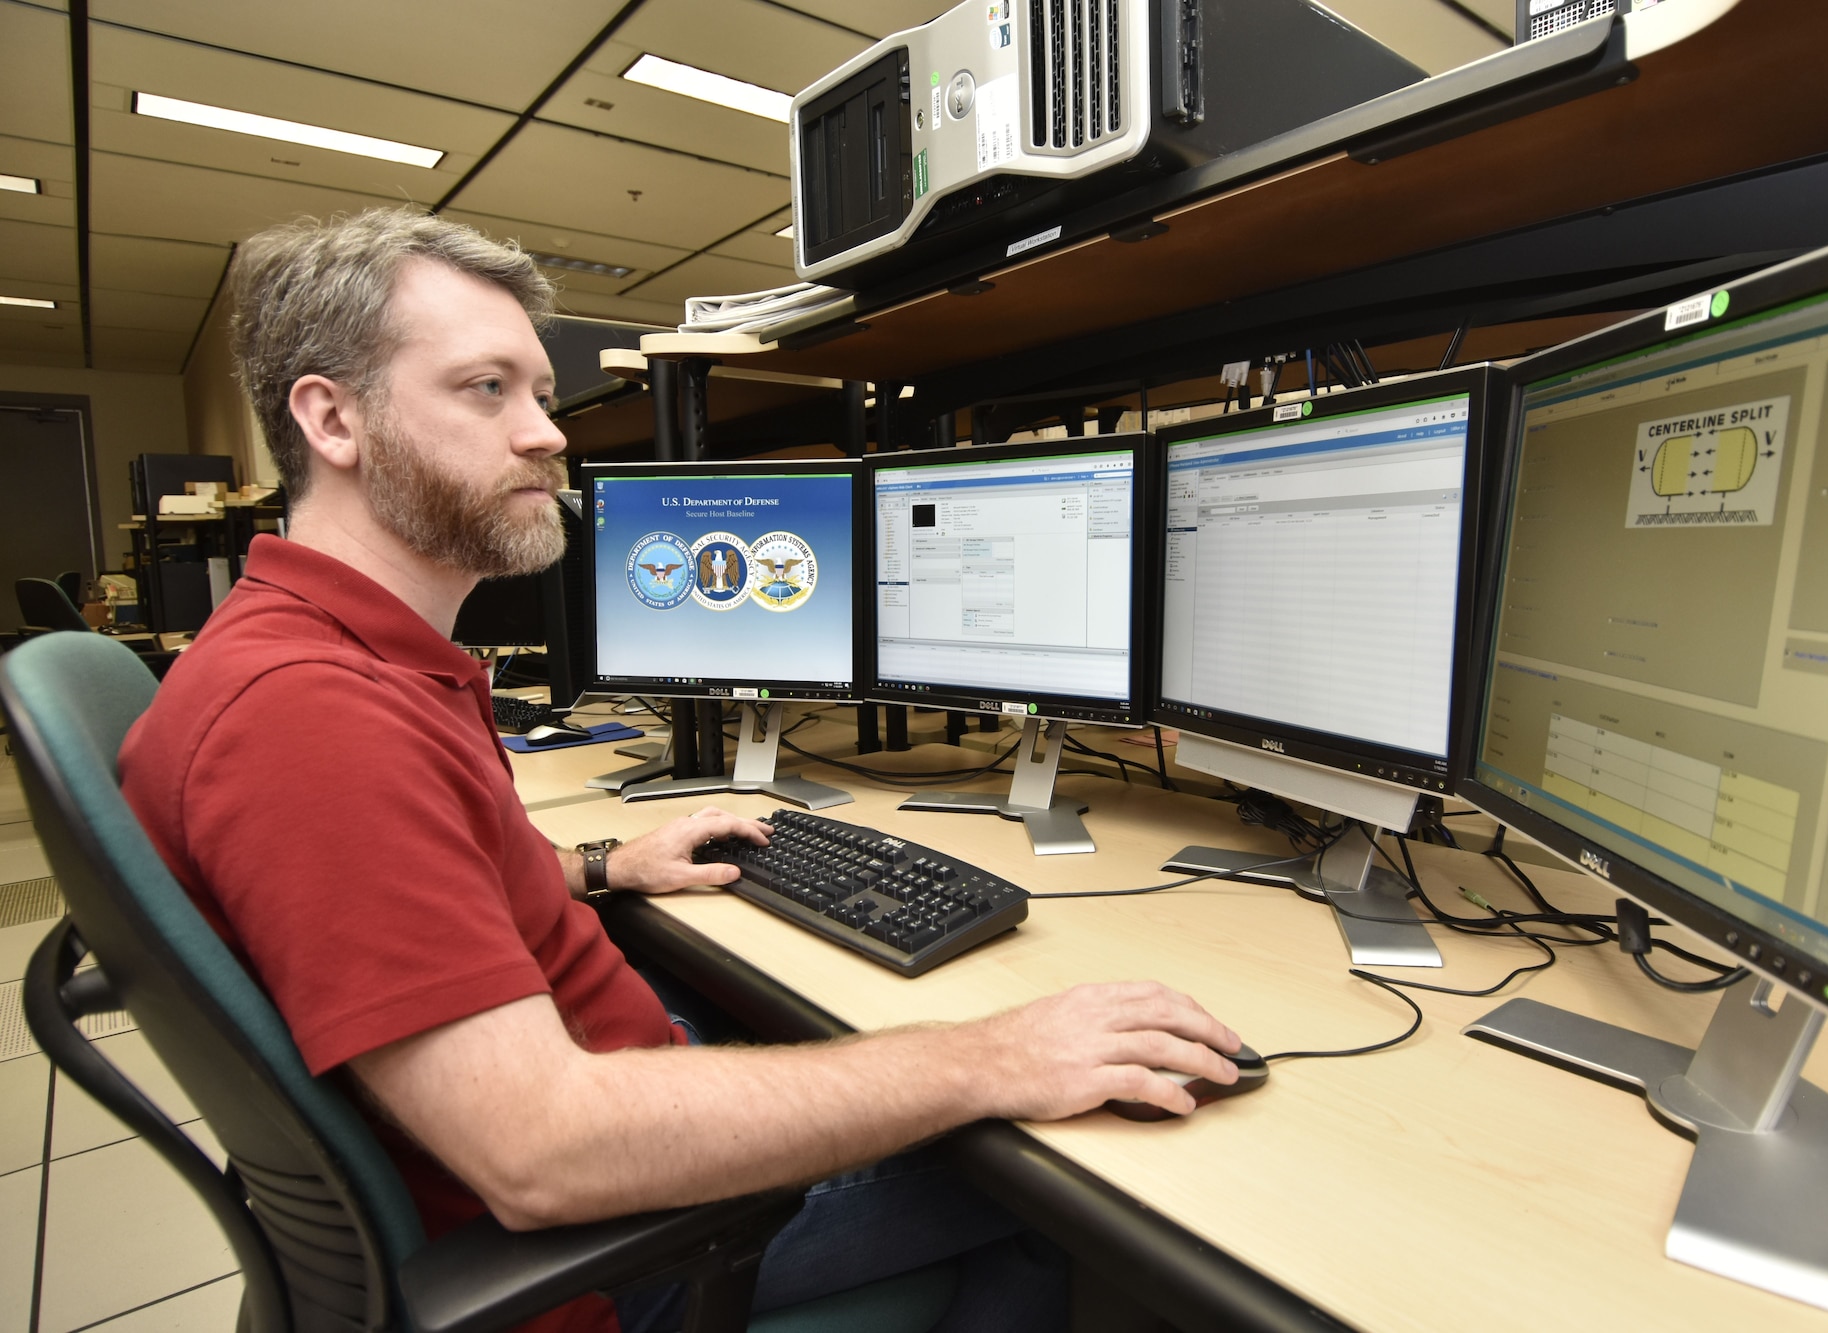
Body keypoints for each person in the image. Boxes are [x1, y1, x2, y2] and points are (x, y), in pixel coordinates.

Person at [119, 208, 1244, 1333]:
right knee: (1078, 1181)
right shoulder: (312, 719)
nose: (546, 435)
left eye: (540, 397)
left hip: (586, 1127)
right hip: (609, 1253)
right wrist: (989, 1057)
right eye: (484, 390)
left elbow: (413, 888)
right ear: (333, 418)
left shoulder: (329, 657)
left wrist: (602, 863)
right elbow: (541, 1150)